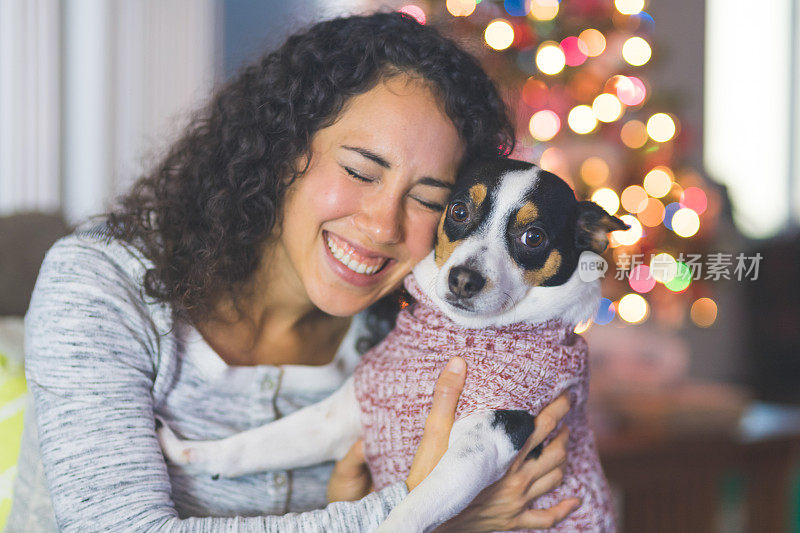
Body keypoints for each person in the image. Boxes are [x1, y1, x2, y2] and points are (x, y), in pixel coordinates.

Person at [7, 12, 580, 532]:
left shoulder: (400, 346)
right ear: (283, 149)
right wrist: (424, 514)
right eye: (360, 170)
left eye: (429, 199)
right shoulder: (102, 284)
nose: (382, 226)